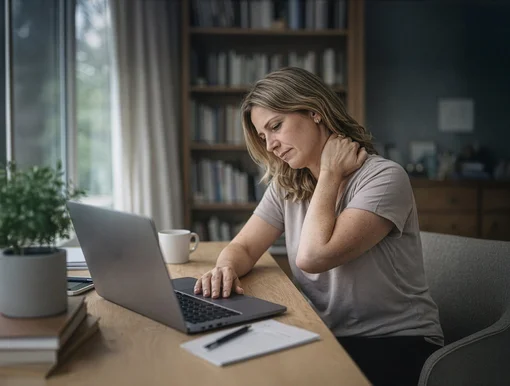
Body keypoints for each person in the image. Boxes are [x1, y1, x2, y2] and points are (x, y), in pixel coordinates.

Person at [194, 67, 443, 386]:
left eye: (276, 126)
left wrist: (329, 173)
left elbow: (314, 256)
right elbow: (243, 246)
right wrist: (225, 268)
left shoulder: (384, 178)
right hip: (329, 333)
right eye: (263, 136)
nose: (270, 145)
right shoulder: (288, 185)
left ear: (314, 111)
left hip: (397, 340)